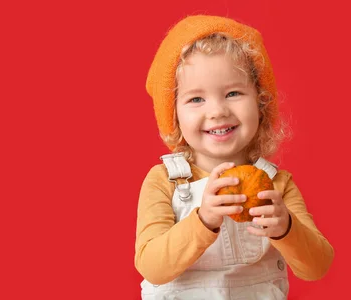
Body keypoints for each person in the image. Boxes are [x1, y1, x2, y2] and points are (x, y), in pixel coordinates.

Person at [135, 14, 334, 299]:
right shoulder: (164, 182)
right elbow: (151, 267)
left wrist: (286, 228)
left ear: (260, 102)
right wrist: (202, 221)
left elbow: (317, 266)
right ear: (174, 114)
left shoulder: (276, 185)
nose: (217, 111)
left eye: (233, 93)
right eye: (196, 99)